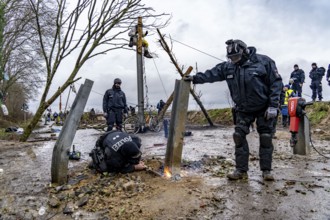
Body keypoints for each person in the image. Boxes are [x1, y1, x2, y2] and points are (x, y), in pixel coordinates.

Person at [185, 39, 282, 181]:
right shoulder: (228, 67)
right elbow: (212, 74)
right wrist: (194, 78)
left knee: (266, 138)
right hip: (243, 108)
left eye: (236, 57)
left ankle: (266, 170)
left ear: (245, 52)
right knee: (238, 136)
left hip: (263, 108)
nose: (234, 60)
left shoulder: (264, 62)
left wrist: (273, 105)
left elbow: (276, 84)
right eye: (231, 58)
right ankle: (241, 170)